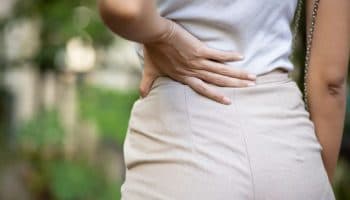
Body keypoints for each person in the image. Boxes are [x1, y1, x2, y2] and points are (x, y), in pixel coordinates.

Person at [98, 0, 350, 199]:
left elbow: (125, 8)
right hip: (292, 152)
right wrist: (314, 183)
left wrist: (165, 35)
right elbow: (330, 82)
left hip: (181, 143)